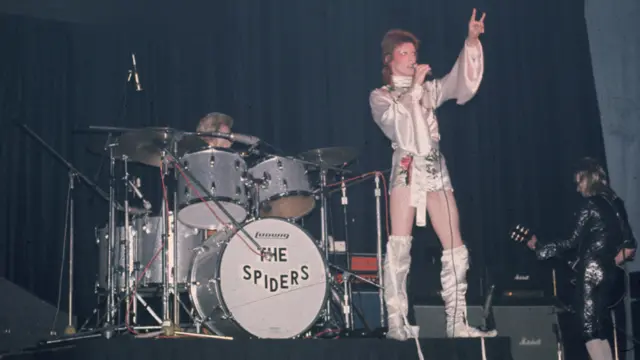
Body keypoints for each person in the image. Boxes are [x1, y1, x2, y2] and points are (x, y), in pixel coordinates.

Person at [369, 9, 496, 340]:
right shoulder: (382, 96)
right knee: (400, 245)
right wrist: (414, 88)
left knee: (456, 246)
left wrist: (470, 41)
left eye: (414, 53)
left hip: (436, 170)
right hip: (407, 171)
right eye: (404, 52)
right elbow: (397, 127)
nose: (412, 58)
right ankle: (396, 322)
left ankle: (456, 321)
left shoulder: (427, 90)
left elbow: (458, 82)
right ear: (389, 58)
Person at [526, 157, 636, 360]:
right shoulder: (616, 203)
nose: (578, 188)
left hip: (591, 274)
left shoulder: (590, 205)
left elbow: (571, 240)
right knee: (600, 330)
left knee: (589, 330)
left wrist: (541, 249)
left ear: (589, 178)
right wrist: (608, 264)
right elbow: (629, 247)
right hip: (610, 275)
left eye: (579, 182)